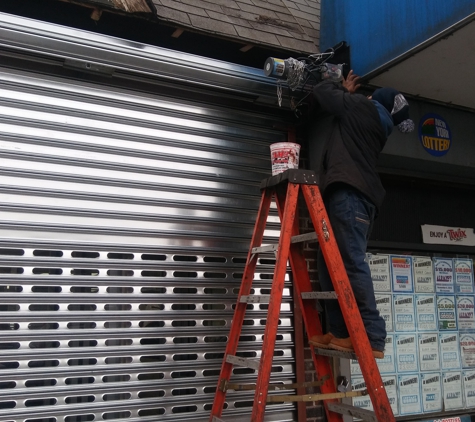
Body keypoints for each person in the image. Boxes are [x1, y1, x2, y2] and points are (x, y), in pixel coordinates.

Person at [307, 70, 413, 358]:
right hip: (350, 196)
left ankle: (373, 335)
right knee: (331, 262)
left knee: (351, 263)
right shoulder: (374, 120)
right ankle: (340, 332)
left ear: (373, 99)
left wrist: (340, 86)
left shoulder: (362, 107)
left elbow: (323, 93)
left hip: (350, 197)